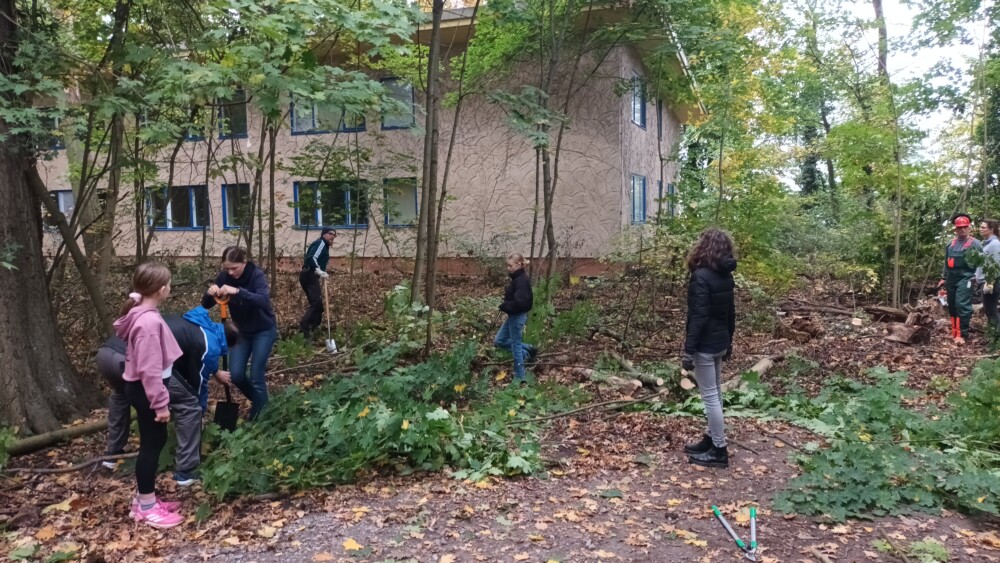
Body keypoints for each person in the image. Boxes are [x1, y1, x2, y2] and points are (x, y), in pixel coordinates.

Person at [97, 307, 240, 482]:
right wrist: (200, 412)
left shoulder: (194, 321)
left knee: (121, 394)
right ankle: (186, 471)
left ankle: (112, 455)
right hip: (138, 360)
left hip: (107, 354)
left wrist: (215, 371)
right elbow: (198, 384)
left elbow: (191, 355)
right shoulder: (211, 345)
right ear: (229, 345)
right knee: (190, 405)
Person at [113, 262, 184, 528]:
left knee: (153, 442)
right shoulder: (149, 322)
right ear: (162, 289)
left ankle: (146, 498)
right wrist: (161, 404)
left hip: (144, 389)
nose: (170, 287)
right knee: (152, 446)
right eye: (169, 284)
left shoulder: (141, 312)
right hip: (147, 391)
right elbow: (150, 370)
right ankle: (146, 506)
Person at [680, 229, 737, 470]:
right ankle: (711, 438)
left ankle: (719, 451)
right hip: (720, 342)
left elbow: (699, 316)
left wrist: (688, 350)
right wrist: (729, 340)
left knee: (711, 397)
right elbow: (730, 313)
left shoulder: (701, 276)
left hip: (705, 346)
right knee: (716, 395)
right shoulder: (725, 276)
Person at [202, 246, 277, 420]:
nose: (230, 272)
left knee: (256, 376)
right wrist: (210, 293)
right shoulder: (224, 277)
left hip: (263, 330)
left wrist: (237, 291)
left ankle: (260, 418)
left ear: (244, 262)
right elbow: (206, 304)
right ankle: (263, 403)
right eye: (226, 268)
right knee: (236, 375)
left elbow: (263, 301)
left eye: (234, 268)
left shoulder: (256, 275)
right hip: (241, 333)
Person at [494, 253, 538, 385]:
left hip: (517, 317)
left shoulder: (521, 281)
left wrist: (506, 305)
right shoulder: (517, 279)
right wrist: (506, 306)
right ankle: (529, 349)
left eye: (510, 265)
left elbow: (522, 303)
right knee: (499, 341)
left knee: (515, 346)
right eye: (507, 265)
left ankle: (520, 377)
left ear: (519, 265)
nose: (508, 268)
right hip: (513, 316)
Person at [939, 213, 982, 345]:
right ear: (955, 229)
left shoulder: (975, 244)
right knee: (951, 303)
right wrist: (943, 277)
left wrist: (978, 277)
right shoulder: (950, 244)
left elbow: (981, 263)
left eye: (965, 227)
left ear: (969, 228)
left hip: (967, 277)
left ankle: (962, 334)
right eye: (960, 227)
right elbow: (946, 262)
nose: (962, 229)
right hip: (952, 277)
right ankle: (954, 332)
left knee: (962, 304)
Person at [299, 228, 336, 339]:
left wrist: (322, 272)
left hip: (312, 275)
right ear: (324, 235)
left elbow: (318, 260)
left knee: (318, 306)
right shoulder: (320, 243)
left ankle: (313, 327)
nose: (333, 236)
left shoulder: (325, 247)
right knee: (316, 303)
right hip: (309, 274)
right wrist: (318, 269)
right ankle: (304, 328)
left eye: (334, 235)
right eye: (330, 234)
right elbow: (312, 257)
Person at [976, 218, 1000, 336]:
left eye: (983, 227)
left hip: (991, 282)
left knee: (991, 311)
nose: (980, 229)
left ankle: (996, 337)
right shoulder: (986, 243)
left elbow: (996, 263)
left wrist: (990, 281)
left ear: (992, 229)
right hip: (984, 281)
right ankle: (994, 335)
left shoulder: (995, 244)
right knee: (989, 310)